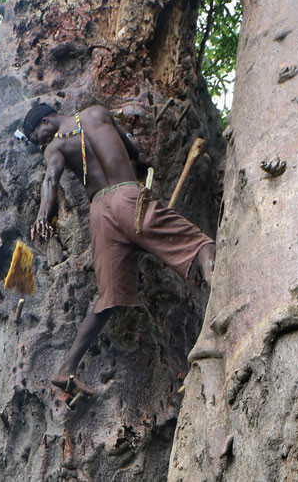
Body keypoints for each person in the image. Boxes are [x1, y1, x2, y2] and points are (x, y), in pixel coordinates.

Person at [21, 103, 215, 397]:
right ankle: (218, 287)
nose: (40, 144)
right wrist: (140, 163)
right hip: (128, 198)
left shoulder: (55, 147)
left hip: (100, 213)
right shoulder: (98, 113)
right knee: (200, 243)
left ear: (45, 121)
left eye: (37, 137)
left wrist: (41, 217)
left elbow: (51, 179)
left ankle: (66, 368)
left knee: (106, 299)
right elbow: (133, 149)